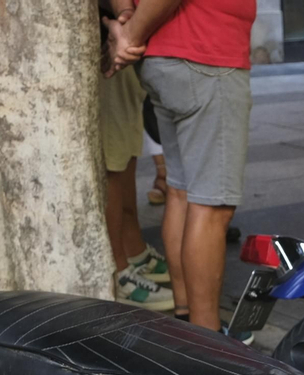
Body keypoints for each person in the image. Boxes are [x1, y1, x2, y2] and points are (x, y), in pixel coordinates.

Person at [104, 0, 253, 332]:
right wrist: (131, 32)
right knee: (211, 208)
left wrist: (127, 16)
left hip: (163, 57)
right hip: (207, 53)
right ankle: (207, 339)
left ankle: (187, 318)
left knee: (181, 192)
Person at [101, 62, 174, 310]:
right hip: (110, 45)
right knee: (114, 153)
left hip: (121, 54)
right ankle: (119, 273)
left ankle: (134, 253)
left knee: (125, 145)